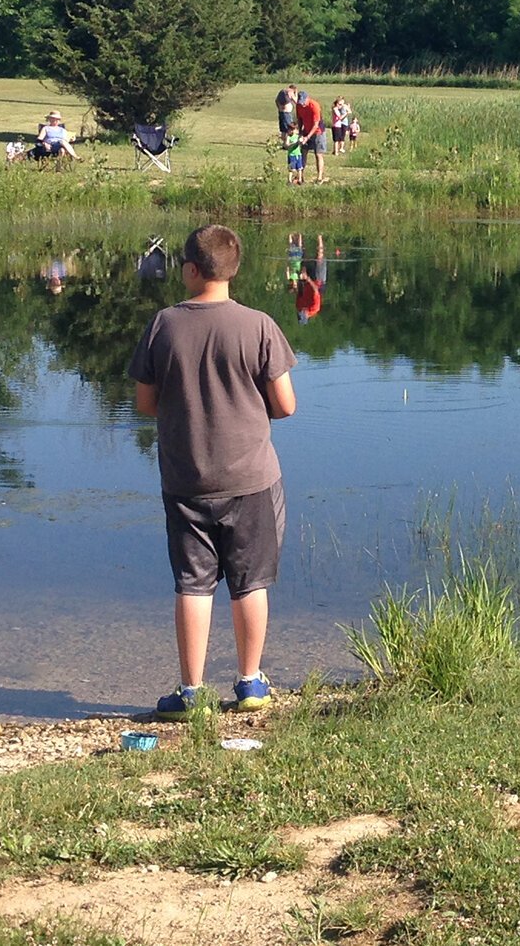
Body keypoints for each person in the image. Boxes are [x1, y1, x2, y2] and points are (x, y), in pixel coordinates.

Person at [127, 224, 297, 721]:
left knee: (193, 583)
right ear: (233, 269)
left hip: (185, 480)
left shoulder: (163, 324)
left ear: (190, 269)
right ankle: (250, 682)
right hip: (250, 479)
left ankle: (190, 690)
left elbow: (144, 403)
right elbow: (285, 405)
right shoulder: (259, 325)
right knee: (250, 582)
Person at [295, 89, 326, 182]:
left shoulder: (314, 105)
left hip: (318, 131)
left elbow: (316, 124)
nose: (302, 104)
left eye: (303, 101)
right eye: (300, 102)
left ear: (307, 98)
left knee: (318, 154)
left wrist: (307, 137)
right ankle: (300, 176)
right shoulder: (299, 105)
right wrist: (300, 133)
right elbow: (299, 119)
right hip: (306, 130)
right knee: (303, 152)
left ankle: (319, 177)